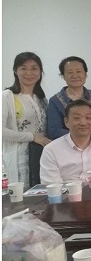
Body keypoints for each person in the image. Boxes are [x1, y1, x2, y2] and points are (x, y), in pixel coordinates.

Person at [40, 100, 91, 184]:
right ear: (66, 122)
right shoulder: (51, 150)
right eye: (77, 118)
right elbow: (52, 185)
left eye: (88, 118)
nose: (83, 123)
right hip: (67, 192)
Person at [2, 52, 50, 184]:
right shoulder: (7, 96)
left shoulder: (41, 99)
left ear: (40, 72)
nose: (29, 73)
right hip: (18, 158)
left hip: (41, 155)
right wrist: (32, 136)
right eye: (23, 68)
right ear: (15, 71)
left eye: (34, 68)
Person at [47, 56, 91, 140]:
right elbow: (54, 131)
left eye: (79, 71)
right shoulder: (55, 101)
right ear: (63, 76)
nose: (75, 75)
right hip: (67, 145)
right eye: (70, 72)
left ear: (85, 74)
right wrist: (87, 134)